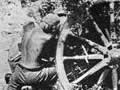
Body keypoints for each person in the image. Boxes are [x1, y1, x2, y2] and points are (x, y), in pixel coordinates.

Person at [7, 13, 61, 90]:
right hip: (33, 74)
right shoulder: (47, 38)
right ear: (50, 26)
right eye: (53, 27)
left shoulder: (28, 28)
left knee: (12, 85)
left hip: (18, 72)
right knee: (58, 72)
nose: (54, 29)